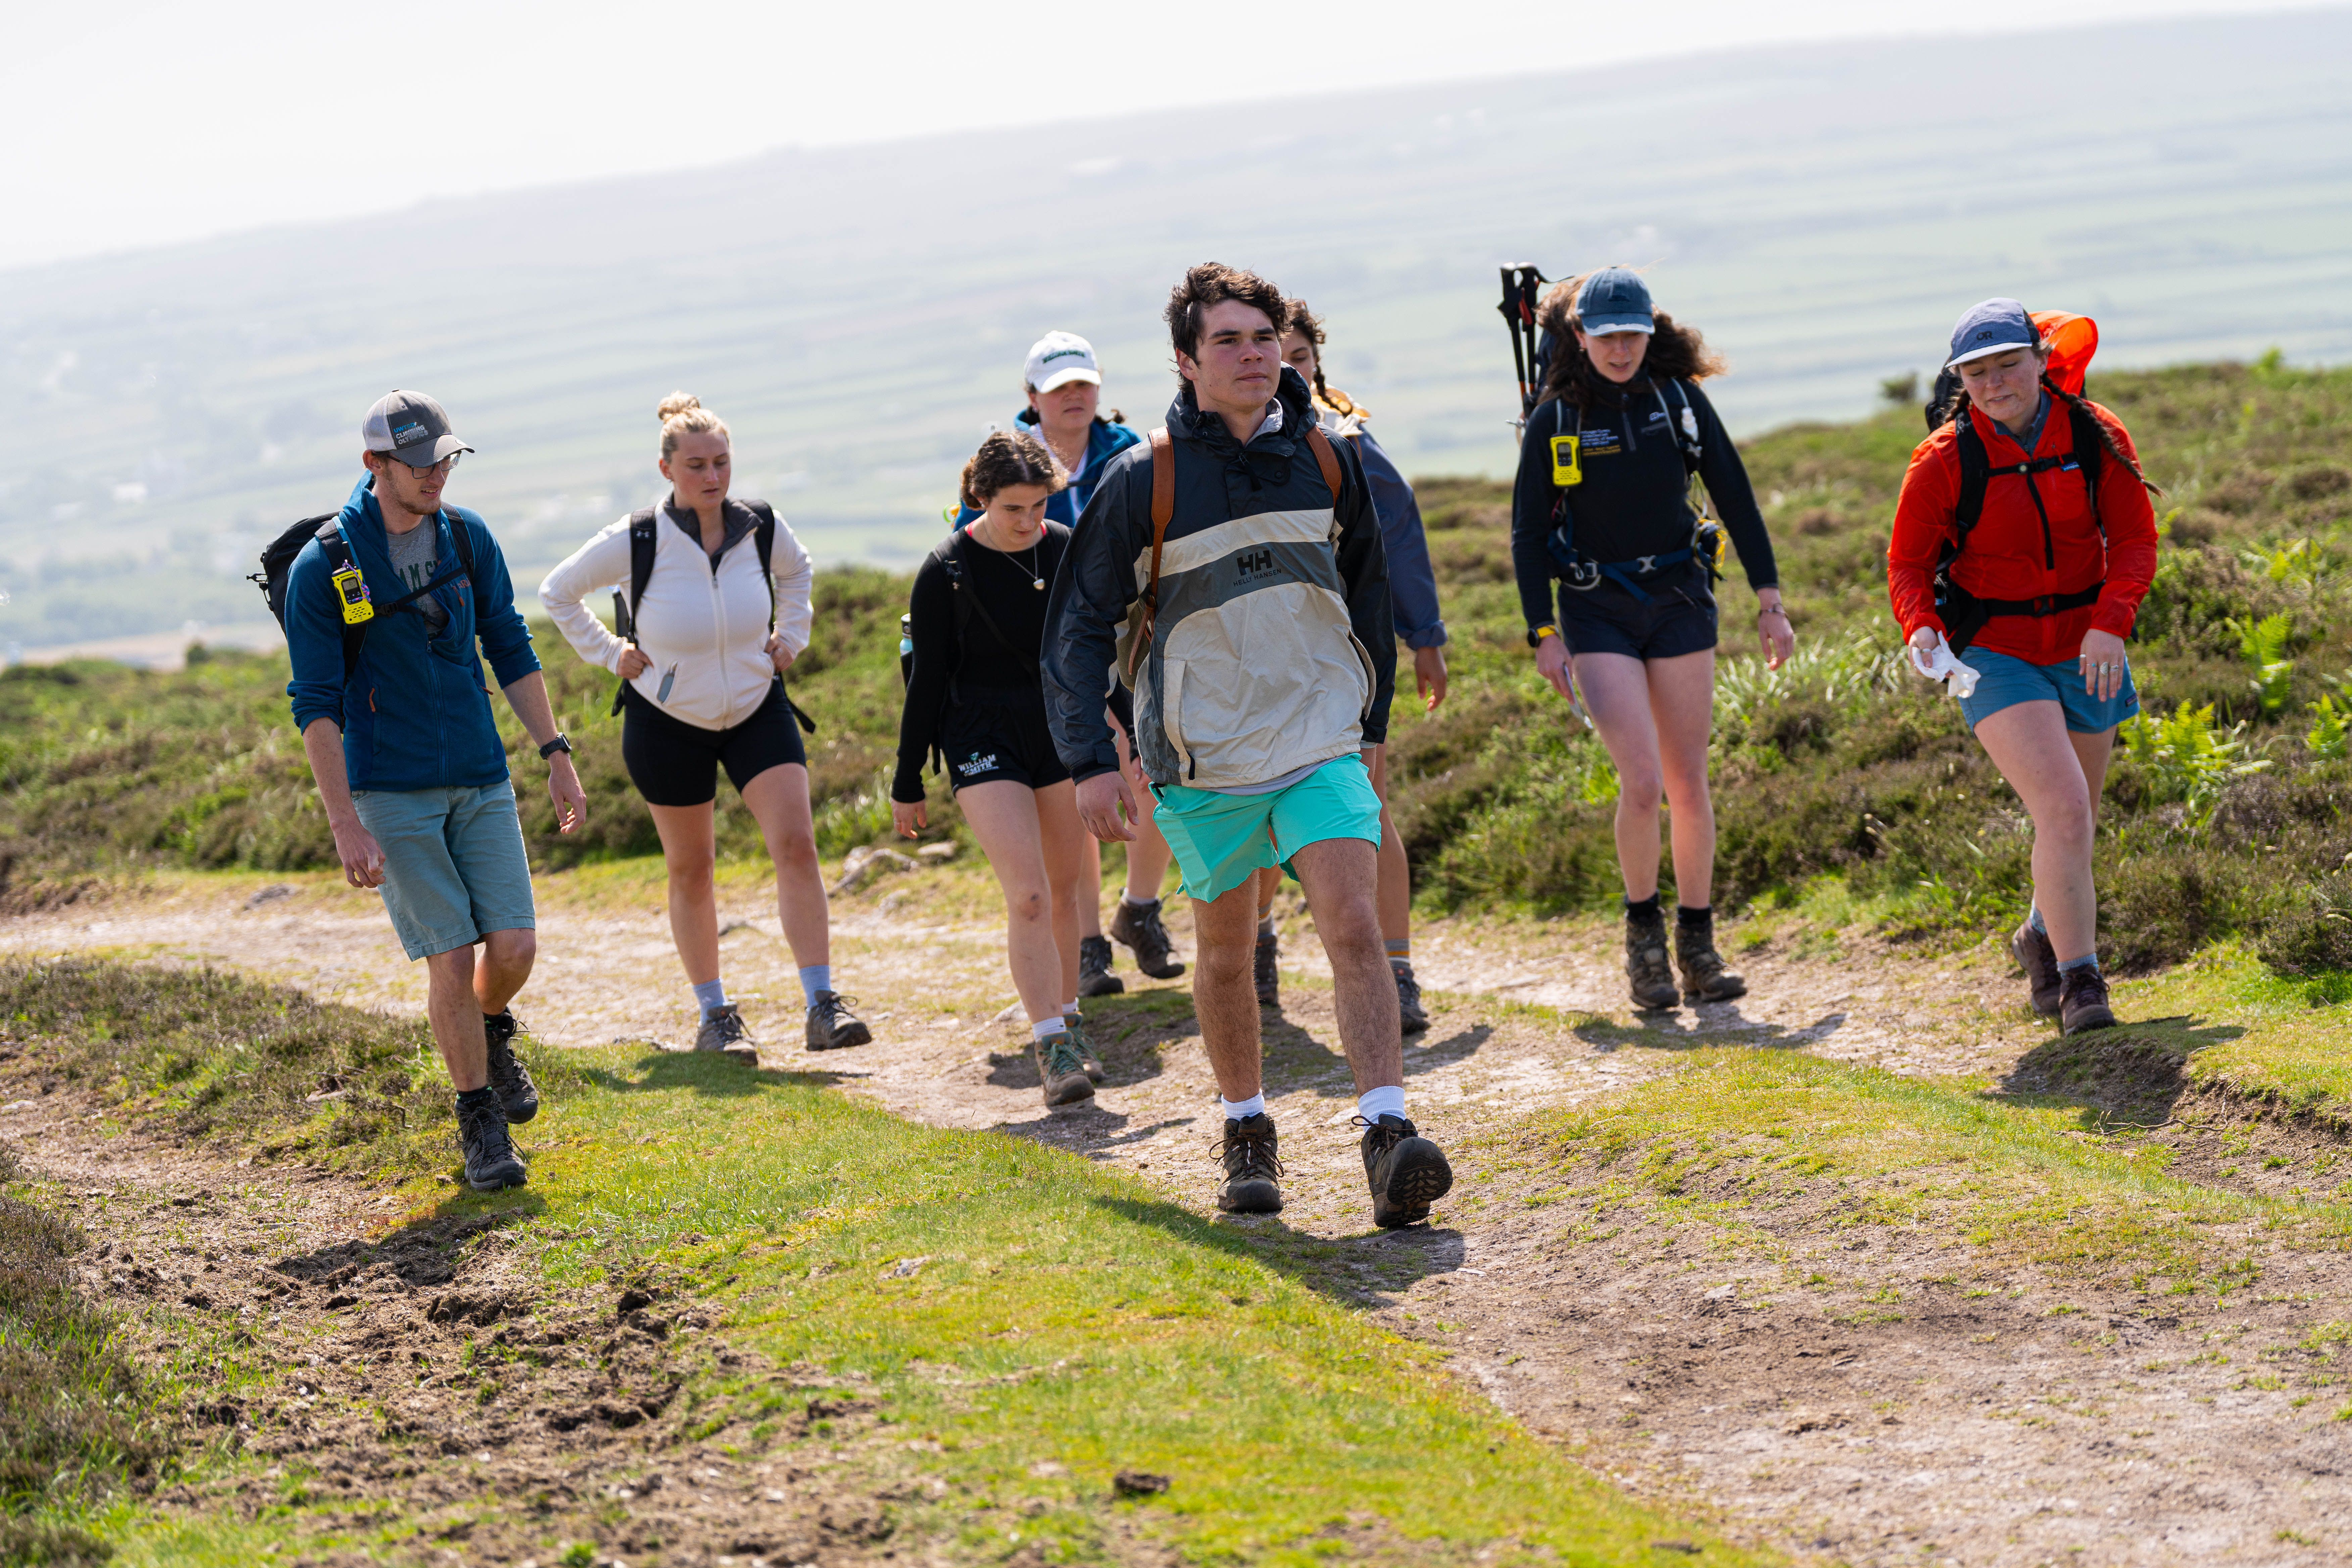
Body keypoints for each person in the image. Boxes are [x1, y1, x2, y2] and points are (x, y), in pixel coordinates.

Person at [1045, 261, 1455, 1229]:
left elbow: (1367, 597)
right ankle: (1246, 1127)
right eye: (1227, 341)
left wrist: (1367, 726)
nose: (1252, 356)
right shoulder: (1142, 478)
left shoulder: (1326, 455)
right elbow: (1076, 627)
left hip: (1320, 737)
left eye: (1264, 338)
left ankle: (1389, 1134)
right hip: (1204, 756)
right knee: (1227, 954)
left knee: (1352, 923)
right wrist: (1091, 760)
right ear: (1186, 361)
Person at [286, 390, 588, 1193]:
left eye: (444, 460)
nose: (435, 476)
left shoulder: (466, 535)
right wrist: (345, 823)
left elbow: (510, 643)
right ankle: (480, 1121)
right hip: (391, 788)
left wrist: (555, 751)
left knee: (515, 948)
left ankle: (491, 1029)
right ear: (374, 466)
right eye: (418, 464)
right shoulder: (325, 568)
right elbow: (314, 706)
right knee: (450, 954)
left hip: (482, 775)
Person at [539, 395, 870, 1055]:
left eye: (721, 462)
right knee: (694, 869)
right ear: (667, 469)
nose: (712, 476)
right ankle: (716, 1017)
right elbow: (558, 591)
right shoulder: (637, 538)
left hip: (757, 706)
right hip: (667, 721)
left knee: (798, 846)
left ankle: (822, 1004)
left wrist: (791, 635)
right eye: (696, 465)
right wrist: (613, 654)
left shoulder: (761, 526)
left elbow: (798, 573)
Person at [1508, 267, 1793, 1012]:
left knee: (1688, 781)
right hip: (1597, 610)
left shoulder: (1680, 402)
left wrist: (1770, 597)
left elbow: (1735, 493)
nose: (1622, 349)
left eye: (1633, 333)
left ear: (1650, 329)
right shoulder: (1556, 419)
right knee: (1642, 782)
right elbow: (1529, 532)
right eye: (1607, 337)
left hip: (1680, 600)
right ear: (1579, 338)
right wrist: (1542, 631)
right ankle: (1645, 944)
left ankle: (1698, 946)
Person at [1888, 299, 2159, 1034]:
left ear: (2042, 359)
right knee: (2065, 809)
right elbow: (1908, 564)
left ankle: (2040, 934)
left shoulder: (2096, 435)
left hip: (2086, 646)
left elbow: (2134, 539)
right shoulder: (1943, 460)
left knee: (2076, 820)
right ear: (1960, 380)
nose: (1995, 380)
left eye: (2009, 362)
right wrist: (1921, 630)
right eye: (1977, 371)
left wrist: (2110, 625)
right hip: (1996, 653)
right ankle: (2081, 983)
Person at [957, 332, 1184, 997]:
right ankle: (1088, 941)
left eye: (1084, 382)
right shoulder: (1006, 466)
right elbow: (973, 550)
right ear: (1033, 398)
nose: (1075, 396)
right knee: (1084, 783)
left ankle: (1138, 908)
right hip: (1052, 652)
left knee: (1150, 768)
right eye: (1060, 388)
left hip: (1139, 637)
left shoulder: (1134, 453)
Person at [1247, 299, 1451, 1030]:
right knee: (1261, 812)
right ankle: (1259, 948)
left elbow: (1403, 543)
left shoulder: (1352, 447)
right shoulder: (1218, 454)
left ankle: (1396, 972)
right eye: (1276, 353)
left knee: (1371, 810)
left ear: (1314, 365)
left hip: (1349, 659)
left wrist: (1425, 637)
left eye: (1298, 356)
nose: (1283, 368)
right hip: (1261, 662)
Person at [896, 431, 1105, 1108]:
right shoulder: (945, 569)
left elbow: (1098, 647)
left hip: (1058, 729)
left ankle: (1069, 1020)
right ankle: (1050, 1043)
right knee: (1031, 895)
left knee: (1068, 889)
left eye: (1040, 504)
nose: (1029, 520)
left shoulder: (1066, 546)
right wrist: (907, 781)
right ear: (978, 498)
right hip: (979, 733)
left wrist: (1124, 730)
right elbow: (926, 682)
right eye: (1014, 507)